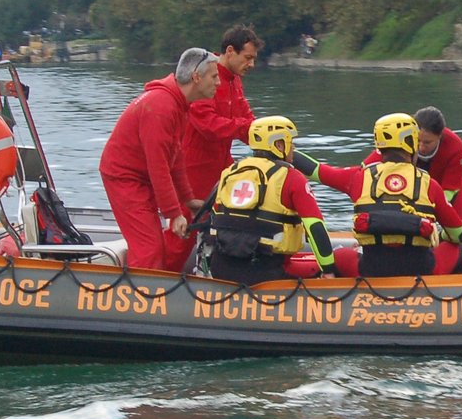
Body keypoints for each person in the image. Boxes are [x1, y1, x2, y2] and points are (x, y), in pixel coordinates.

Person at [99, 48, 220, 272]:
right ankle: (141, 298)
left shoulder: (178, 105)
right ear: (196, 77)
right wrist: (174, 214)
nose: (219, 82)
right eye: (214, 76)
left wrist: (187, 199)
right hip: (124, 177)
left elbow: (176, 159)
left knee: (153, 245)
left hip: (140, 176)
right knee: (149, 248)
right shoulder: (162, 108)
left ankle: (151, 290)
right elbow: (159, 167)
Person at [305, 112, 462, 278]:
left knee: (338, 257)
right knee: (456, 248)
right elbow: (459, 234)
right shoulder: (429, 184)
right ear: (411, 144)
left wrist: (286, 154)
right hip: (421, 269)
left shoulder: (358, 178)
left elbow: (317, 171)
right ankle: (450, 296)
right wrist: (435, 236)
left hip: (371, 269)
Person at [205, 116, 336, 285]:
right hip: (266, 272)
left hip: (221, 268)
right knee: (339, 262)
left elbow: (214, 220)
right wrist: (329, 270)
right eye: (291, 143)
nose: (293, 148)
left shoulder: (230, 172)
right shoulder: (292, 178)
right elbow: (315, 227)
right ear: (279, 145)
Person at [182, 25, 261, 202]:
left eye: (253, 59)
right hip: (194, 168)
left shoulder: (235, 79)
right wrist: (252, 129)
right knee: (189, 224)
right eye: (247, 58)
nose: (252, 64)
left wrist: (267, 136)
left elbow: (246, 116)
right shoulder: (205, 75)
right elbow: (208, 125)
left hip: (221, 164)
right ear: (230, 51)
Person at [364, 106, 462, 233]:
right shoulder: (399, 139)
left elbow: (449, 191)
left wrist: (431, 211)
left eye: (427, 142)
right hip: (409, 185)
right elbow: (364, 169)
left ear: (440, 136)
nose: (420, 147)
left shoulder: (455, 146)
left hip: (446, 185)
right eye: (417, 140)